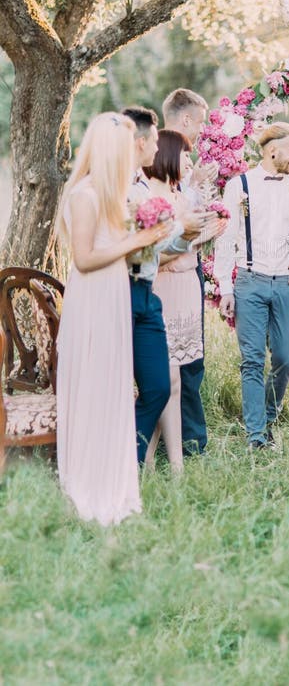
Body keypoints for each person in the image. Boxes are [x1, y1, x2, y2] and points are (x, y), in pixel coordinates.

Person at [56, 112, 172, 525]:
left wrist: (147, 238)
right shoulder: (84, 195)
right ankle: (87, 485)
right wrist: (138, 240)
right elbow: (85, 259)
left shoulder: (110, 197)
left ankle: (111, 479)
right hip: (93, 300)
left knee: (113, 392)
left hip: (114, 297)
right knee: (94, 390)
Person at [214, 122, 289, 449]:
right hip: (249, 282)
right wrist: (225, 288)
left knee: (285, 356)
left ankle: (269, 413)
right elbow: (226, 239)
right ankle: (256, 435)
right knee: (253, 359)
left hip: (288, 283)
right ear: (273, 150)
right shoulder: (238, 186)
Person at [122, 106, 212, 463]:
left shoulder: (161, 192)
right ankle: (136, 459)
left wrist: (194, 234)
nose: (158, 150)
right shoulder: (138, 193)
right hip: (145, 291)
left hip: (161, 294)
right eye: (155, 142)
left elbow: (160, 246)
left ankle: (158, 462)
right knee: (161, 385)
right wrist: (184, 233)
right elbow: (145, 251)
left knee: (166, 385)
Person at [142, 129, 225, 472]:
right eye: (186, 155)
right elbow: (150, 256)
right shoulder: (151, 200)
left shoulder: (182, 198)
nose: (190, 162)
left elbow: (187, 246)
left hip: (187, 288)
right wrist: (186, 242)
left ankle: (164, 462)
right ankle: (152, 458)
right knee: (166, 381)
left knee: (175, 379)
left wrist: (205, 234)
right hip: (164, 290)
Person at [162, 88, 218, 455]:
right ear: (185, 120)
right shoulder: (163, 160)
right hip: (168, 274)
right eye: (199, 122)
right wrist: (195, 185)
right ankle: (185, 438)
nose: (200, 131)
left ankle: (190, 436)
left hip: (187, 269)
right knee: (174, 360)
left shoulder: (181, 162)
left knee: (190, 356)